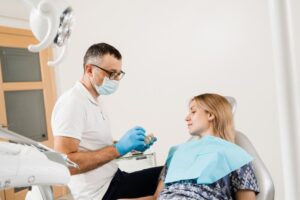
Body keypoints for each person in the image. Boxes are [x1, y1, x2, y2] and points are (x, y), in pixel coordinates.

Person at [51, 43, 162, 200]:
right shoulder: (73, 103)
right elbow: (65, 163)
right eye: (111, 73)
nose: (115, 80)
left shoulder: (94, 100)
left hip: (114, 179)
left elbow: (94, 146)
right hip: (99, 194)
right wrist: (118, 148)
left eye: (118, 74)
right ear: (89, 70)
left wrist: (129, 146)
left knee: (170, 171)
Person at [128, 93, 259, 200]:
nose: (186, 118)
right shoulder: (177, 153)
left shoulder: (235, 155)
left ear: (210, 115)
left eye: (193, 112)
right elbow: (157, 197)